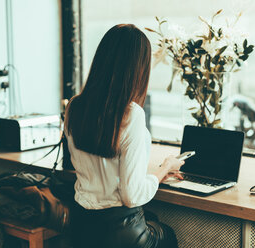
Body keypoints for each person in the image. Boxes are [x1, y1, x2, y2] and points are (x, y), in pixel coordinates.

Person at [64, 24, 184, 248]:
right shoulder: (131, 115)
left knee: (152, 219)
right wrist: (165, 168)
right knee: (166, 234)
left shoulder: (74, 106)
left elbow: (103, 168)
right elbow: (132, 196)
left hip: (82, 227)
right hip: (118, 232)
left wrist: (153, 175)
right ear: (138, 69)